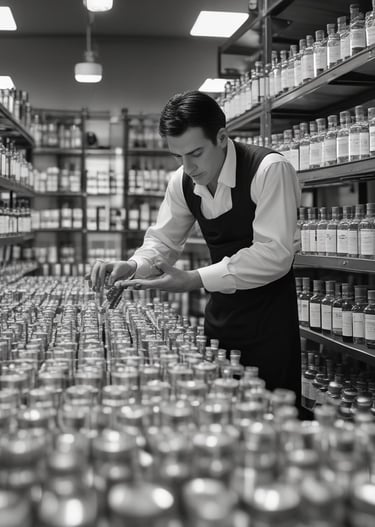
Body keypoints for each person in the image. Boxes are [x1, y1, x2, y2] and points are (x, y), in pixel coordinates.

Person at [88, 90, 302, 399]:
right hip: (219, 322)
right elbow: (163, 239)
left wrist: (194, 279)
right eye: (178, 156)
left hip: (270, 328)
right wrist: (134, 265)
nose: (188, 167)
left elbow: (274, 255)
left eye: (196, 153)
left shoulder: (269, 169)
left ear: (222, 137)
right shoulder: (183, 181)